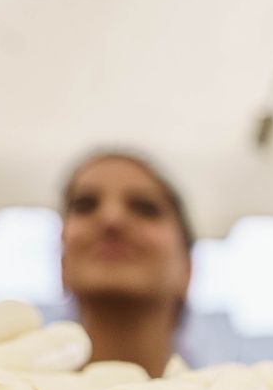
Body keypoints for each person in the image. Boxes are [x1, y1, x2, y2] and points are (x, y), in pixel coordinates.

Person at [58, 151, 195, 375]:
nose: (112, 218)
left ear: (188, 269)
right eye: (85, 205)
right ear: (62, 264)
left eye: (145, 207)